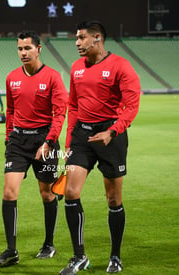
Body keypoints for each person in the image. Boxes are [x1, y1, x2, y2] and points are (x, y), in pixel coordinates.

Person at [59, 21, 140, 275]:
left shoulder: (120, 66)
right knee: (71, 192)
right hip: (83, 133)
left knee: (113, 198)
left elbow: (132, 105)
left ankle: (115, 256)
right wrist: (70, 137)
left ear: (97, 39)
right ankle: (79, 256)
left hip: (111, 134)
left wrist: (113, 131)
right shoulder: (75, 68)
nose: (77, 43)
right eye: (76, 38)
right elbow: (73, 104)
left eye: (82, 38)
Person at [0, 31, 68, 267]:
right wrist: (8, 138)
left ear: (39, 49)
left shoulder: (53, 77)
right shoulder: (11, 77)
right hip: (18, 142)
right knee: (9, 192)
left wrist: (49, 142)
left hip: (44, 140)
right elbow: (11, 111)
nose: (23, 53)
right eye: (20, 49)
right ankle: (11, 250)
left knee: (47, 194)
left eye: (27, 48)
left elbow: (59, 114)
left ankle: (49, 244)